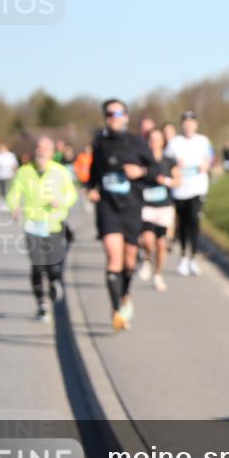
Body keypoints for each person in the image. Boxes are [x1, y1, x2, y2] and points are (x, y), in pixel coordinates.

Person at [88, 98, 157, 331]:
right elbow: (93, 174)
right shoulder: (99, 143)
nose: (113, 118)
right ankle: (116, 309)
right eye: (109, 114)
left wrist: (141, 171)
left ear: (126, 117)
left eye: (118, 114)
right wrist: (91, 189)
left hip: (131, 207)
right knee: (113, 258)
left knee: (129, 261)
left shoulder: (137, 142)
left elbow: (155, 170)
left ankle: (125, 294)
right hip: (108, 208)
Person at [5, 136, 78, 322]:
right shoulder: (24, 172)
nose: (42, 151)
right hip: (32, 224)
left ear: (52, 152)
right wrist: (14, 207)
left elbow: (72, 195)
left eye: (46, 148)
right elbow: (13, 194)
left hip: (53, 223)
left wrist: (60, 201)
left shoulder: (60, 171)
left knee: (53, 266)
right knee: (37, 265)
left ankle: (54, 281)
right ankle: (41, 305)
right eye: (39, 147)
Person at [166, 110, 214, 277]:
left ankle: (193, 257)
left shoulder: (203, 141)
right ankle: (183, 257)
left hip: (197, 188)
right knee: (183, 223)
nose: (188, 125)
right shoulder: (174, 143)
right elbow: (165, 162)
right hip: (180, 189)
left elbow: (211, 158)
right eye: (186, 122)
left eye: (191, 122)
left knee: (194, 220)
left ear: (196, 124)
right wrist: (174, 164)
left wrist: (207, 165)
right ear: (182, 124)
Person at [137, 128, 179, 291]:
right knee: (148, 240)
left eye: (157, 138)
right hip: (146, 206)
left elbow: (178, 180)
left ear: (163, 141)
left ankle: (158, 274)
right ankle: (147, 259)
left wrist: (166, 181)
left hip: (164, 207)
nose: (154, 141)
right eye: (151, 138)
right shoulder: (142, 160)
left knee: (161, 244)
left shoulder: (169, 161)